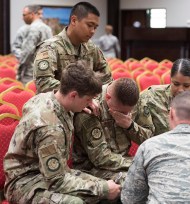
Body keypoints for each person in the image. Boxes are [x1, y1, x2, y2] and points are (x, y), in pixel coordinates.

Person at [3, 61, 121, 203]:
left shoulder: (49, 97)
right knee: (79, 201)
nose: (90, 103)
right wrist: (103, 188)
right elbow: (56, 181)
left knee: (109, 186)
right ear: (73, 95)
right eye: (88, 99)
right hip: (25, 182)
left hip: (51, 172)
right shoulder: (50, 128)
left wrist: (84, 102)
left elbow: (58, 174)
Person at [73, 78, 147, 184]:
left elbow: (149, 138)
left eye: (129, 112)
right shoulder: (91, 108)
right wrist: (136, 163)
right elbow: (100, 158)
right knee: (134, 182)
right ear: (108, 97)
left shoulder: (132, 100)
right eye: (121, 112)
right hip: (92, 168)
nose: (126, 115)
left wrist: (130, 126)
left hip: (122, 162)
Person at [34, 2, 112, 94]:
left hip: (87, 104)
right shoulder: (49, 47)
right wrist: (80, 95)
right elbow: (43, 83)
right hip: (54, 106)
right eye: (89, 25)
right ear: (74, 20)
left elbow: (107, 80)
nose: (92, 31)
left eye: (95, 27)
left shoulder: (92, 48)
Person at [132, 58, 190, 138]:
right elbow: (146, 138)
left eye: (186, 86)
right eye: (176, 84)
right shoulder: (151, 97)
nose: (180, 90)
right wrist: (129, 125)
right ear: (170, 79)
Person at [15, 5, 52, 84]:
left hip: (30, 74)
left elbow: (27, 52)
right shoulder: (47, 28)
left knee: (28, 95)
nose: (23, 17)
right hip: (44, 72)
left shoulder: (33, 28)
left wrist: (19, 68)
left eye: (24, 15)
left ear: (32, 14)